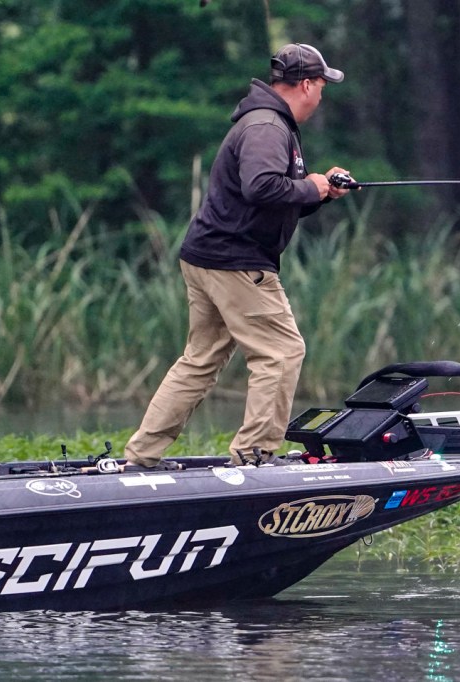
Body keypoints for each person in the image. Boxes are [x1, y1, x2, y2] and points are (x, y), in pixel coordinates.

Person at [124, 43, 352, 470]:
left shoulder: (266, 121)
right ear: (306, 85)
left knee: (201, 359)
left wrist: (320, 193)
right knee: (281, 352)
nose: (321, 96)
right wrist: (311, 186)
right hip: (236, 260)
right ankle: (255, 455)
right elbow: (261, 187)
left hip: (209, 255)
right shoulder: (268, 126)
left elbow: (270, 199)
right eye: (322, 86)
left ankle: (142, 456)